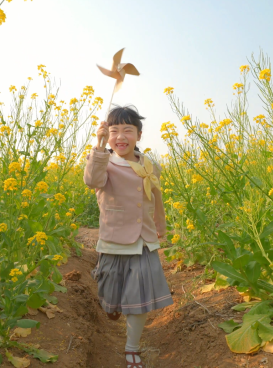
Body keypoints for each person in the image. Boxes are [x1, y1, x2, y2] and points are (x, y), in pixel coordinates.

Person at [83, 105, 173, 368]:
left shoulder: (149, 165)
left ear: (139, 135)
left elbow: (155, 197)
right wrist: (99, 146)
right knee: (109, 296)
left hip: (143, 241)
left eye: (127, 130)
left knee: (139, 301)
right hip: (114, 240)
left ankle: (131, 349)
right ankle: (110, 305)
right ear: (108, 136)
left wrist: (160, 225)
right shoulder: (104, 161)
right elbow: (91, 181)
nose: (120, 136)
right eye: (114, 131)